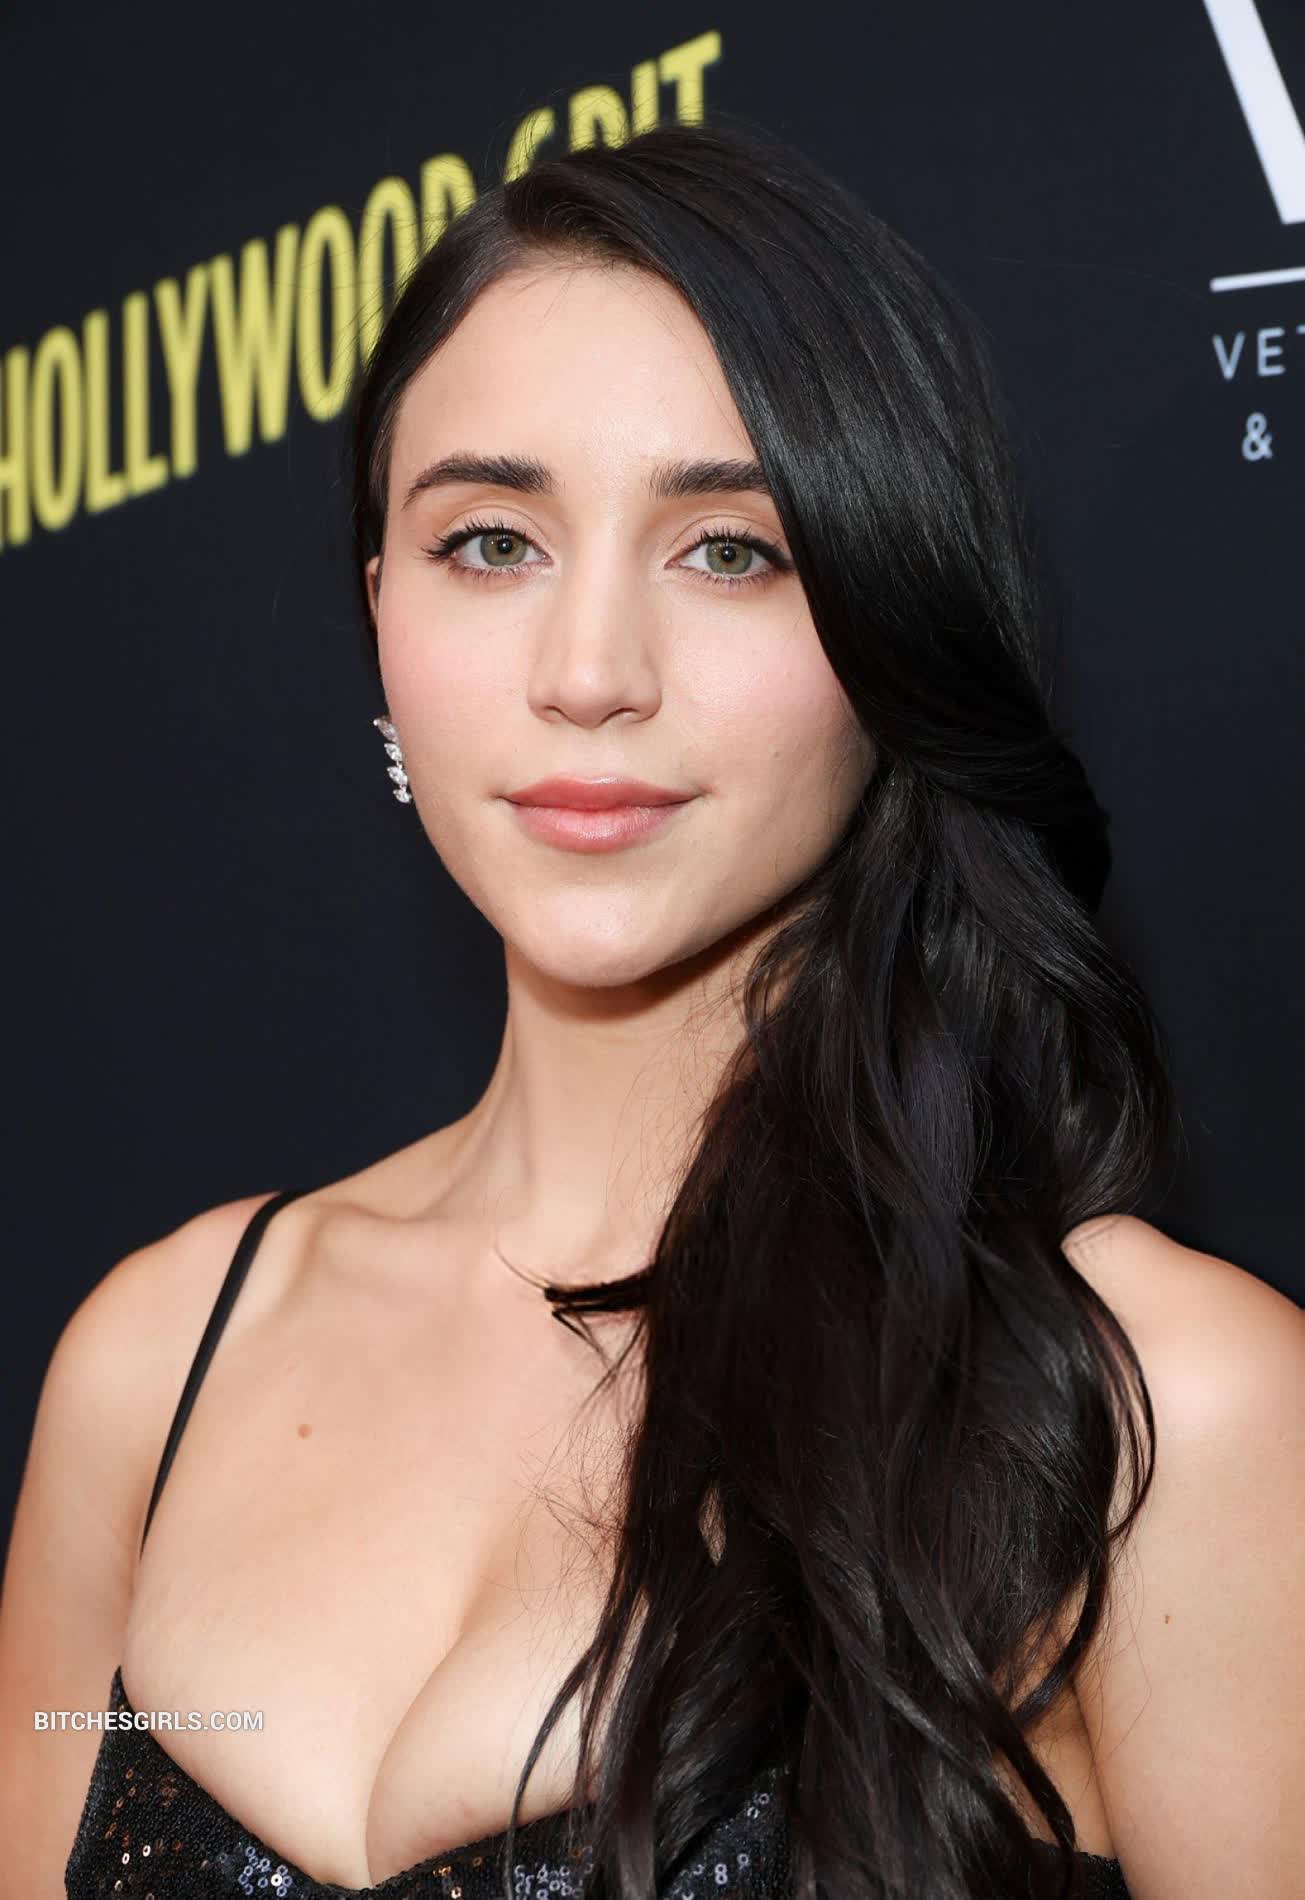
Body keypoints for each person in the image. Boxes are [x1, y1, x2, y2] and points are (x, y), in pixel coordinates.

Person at [2, 115, 1300, 1900]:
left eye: (729, 550)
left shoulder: (1156, 1411)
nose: (590, 673)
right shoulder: (152, 1367)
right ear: (379, 614)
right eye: (489, 542)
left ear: (890, 624)